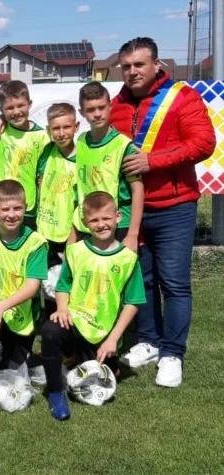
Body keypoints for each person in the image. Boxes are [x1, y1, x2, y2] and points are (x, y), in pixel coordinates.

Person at [111, 37, 216, 387]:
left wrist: (152, 161)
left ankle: (172, 353)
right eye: (126, 66)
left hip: (175, 206)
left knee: (173, 283)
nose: (132, 71)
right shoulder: (117, 104)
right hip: (132, 210)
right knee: (141, 280)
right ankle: (149, 341)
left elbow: (204, 143)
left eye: (139, 64)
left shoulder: (182, 97)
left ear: (157, 65)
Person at [41, 191, 146, 420]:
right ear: (85, 222)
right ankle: (56, 392)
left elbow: (133, 303)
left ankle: (91, 360)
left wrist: (113, 339)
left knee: (102, 374)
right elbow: (63, 286)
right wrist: (62, 309)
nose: (101, 224)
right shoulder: (75, 251)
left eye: (106, 218)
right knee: (49, 331)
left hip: (103, 331)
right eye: (94, 220)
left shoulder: (128, 258)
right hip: (75, 320)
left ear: (118, 217)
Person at [0, 180, 48, 423]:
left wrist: (0, 308)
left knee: (12, 369)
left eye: (17, 208)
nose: (11, 215)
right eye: (5, 209)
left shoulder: (36, 242)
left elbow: (32, 287)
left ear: (26, 207)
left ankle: (10, 355)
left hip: (22, 313)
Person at [75, 81, 144, 252]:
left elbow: (137, 190)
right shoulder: (81, 141)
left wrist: (133, 234)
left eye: (101, 107)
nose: (97, 114)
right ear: (81, 113)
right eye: (91, 110)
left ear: (110, 106)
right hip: (88, 225)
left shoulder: (124, 146)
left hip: (118, 226)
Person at [0, 80, 50, 230]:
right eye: (9, 108)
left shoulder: (43, 137)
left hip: (26, 205)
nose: (16, 112)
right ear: (2, 110)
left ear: (29, 104)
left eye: (20, 105)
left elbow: (43, 176)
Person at [36, 102, 79, 264]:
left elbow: (80, 206)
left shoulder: (83, 159)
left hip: (67, 238)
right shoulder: (46, 151)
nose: (61, 133)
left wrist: (71, 242)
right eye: (55, 128)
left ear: (76, 127)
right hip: (42, 234)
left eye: (66, 127)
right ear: (48, 130)